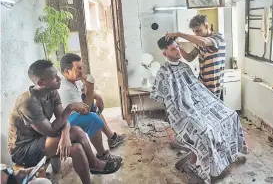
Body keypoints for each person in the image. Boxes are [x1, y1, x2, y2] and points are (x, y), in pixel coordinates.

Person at [150, 37, 248, 184]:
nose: (178, 50)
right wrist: (181, 104)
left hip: (201, 104)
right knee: (205, 131)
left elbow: (197, 88)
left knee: (231, 115)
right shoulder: (163, 73)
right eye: (173, 49)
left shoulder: (184, 66)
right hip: (183, 112)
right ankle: (200, 165)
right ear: (165, 54)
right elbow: (162, 98)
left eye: (178, 46)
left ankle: (231, 154)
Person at [7, 60, 121, 184]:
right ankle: (93, 164)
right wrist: (70, 107)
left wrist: (66, 134)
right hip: (23, 149)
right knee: (76, 142)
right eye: (54, 77)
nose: (59, 78)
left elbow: (63, 118)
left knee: (76, 143)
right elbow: (50, 130)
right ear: (41, 82)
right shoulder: (27, 102)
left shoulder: (52, 92)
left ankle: (93, 165)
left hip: (41, 138)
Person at [58, 53, 126, 161]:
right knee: (92, 119)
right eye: (78, 68)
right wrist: (90, 87)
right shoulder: (66, 89)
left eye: (82, 67)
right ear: (66, 72)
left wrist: (98, 97)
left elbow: (84, 93)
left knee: (94, 108)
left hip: (73, 113)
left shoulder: (73, 79)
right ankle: (102, 155)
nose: (82, 70)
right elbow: (85, 110)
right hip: (64, 123)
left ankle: (112, 137)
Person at [165, 14, 226, 99]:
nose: (196, 34)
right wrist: (178, 46)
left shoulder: (218, 38)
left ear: (206, 25)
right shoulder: (199, 43)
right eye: (194, 32)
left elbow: (204, 42)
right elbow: (189, 58)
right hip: (202, 83)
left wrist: (179, 34)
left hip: (215, 85)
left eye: (198, 30)